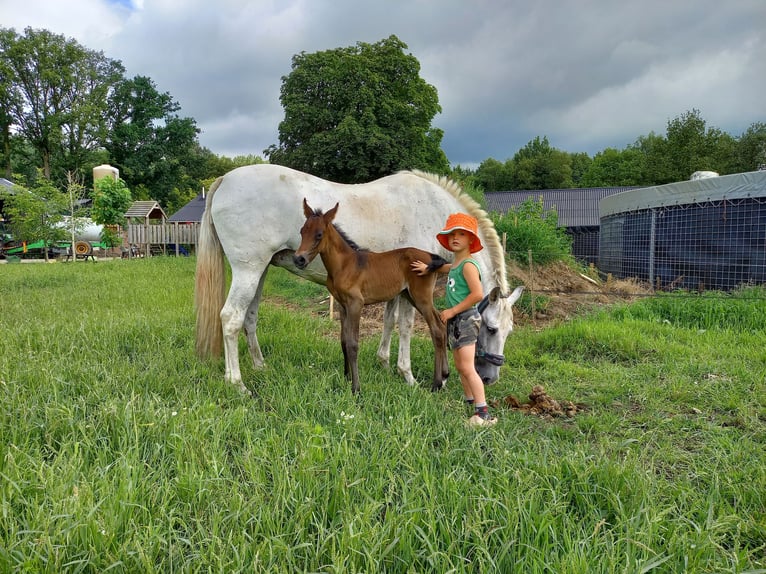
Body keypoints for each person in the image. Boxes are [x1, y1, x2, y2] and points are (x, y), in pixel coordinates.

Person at [411, 212, 497, 427]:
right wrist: (429, 268)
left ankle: (483, 412)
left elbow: (477, 295)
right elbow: (447, 268)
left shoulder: (469, 265)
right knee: (460, 365)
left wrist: (451, 311)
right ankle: (470, 402)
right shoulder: (458, 263)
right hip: (458, 321)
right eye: (451, 234)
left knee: (467, 367)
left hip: (466, 318)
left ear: (471, 240)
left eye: (461, 234)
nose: (454, 238)